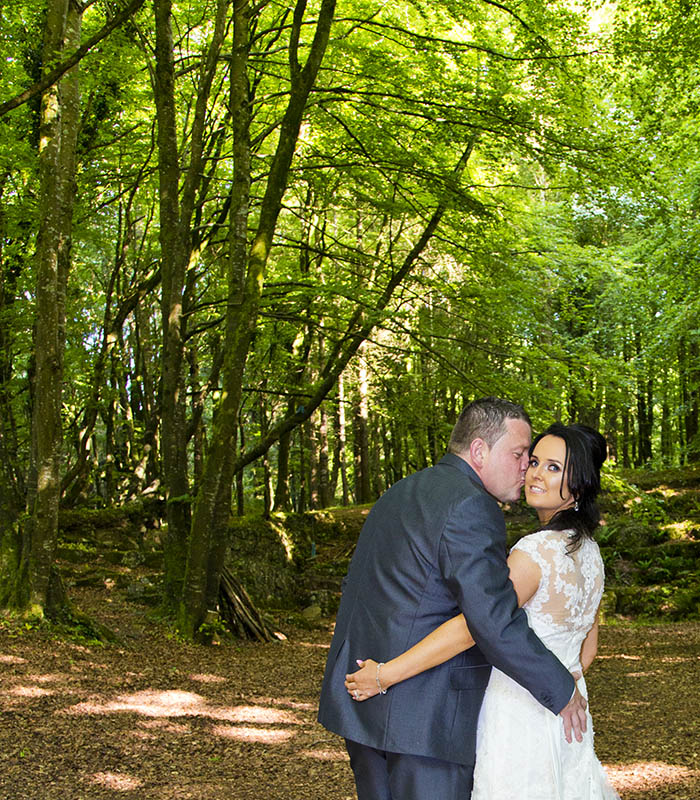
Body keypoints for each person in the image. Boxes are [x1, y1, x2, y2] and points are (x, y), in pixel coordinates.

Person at [317, 398, 588, 800]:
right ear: (479, 451)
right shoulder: (471, 504)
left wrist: (376, 676)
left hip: (365, 706)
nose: (524, 467)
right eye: (518, 454)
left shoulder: (403, 489)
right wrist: (559, 687)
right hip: (426, 719)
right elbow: (492, 619)